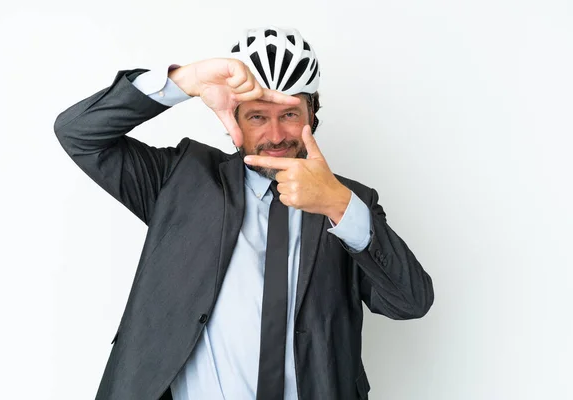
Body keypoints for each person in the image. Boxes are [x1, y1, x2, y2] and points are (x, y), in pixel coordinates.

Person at [54, 26, 434, 400]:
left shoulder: (349, 202)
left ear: (313, 114)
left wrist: (338, 204)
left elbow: (410, 302)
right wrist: (186, 80)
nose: (275, 135)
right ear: (233, 116)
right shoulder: (182, 179)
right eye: (257, 117)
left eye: (290, 114)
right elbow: (80, 135)